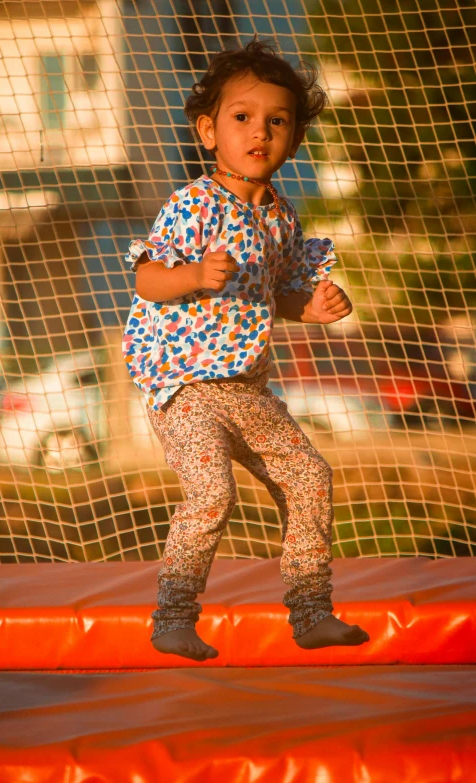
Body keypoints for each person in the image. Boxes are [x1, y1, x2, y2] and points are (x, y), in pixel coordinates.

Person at [122, 39, 370, 662]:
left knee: (310, 475)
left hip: (248, 390)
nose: (259, 131)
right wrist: (193, 277)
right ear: (209, 131)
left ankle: (312, 611)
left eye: (276, 121)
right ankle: (173, 617)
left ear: (295, 139)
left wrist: (311, 307)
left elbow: (283, 293)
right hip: (186, 388)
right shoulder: (193, 204)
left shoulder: (282, 218)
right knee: (212, 494)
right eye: (241, 118)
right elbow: (147, 277)